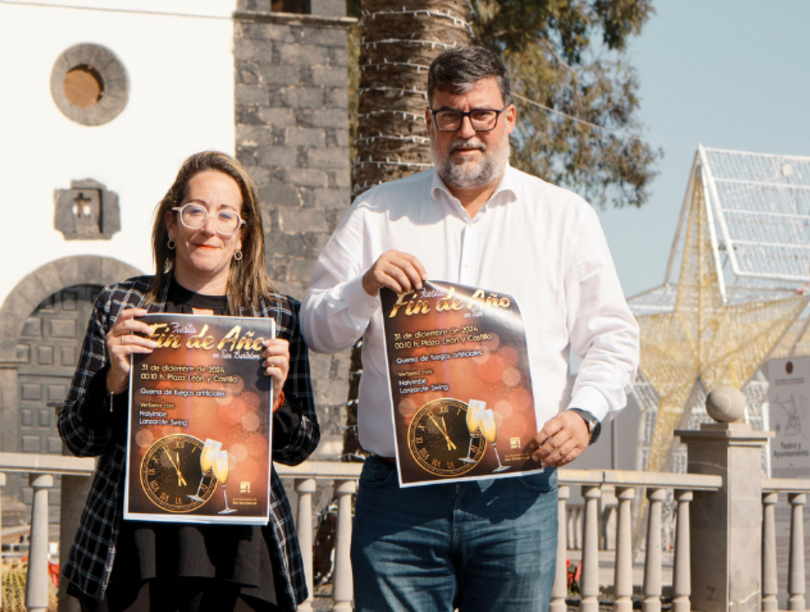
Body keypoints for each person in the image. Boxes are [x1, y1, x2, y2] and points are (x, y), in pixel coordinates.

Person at [300, 46, 639, 611]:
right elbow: (316, 327)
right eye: (448, 115)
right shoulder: (376, 214)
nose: (466, 131)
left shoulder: (564, 217)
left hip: (515, 496)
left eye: (481, 114)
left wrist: (585, 415)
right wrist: (362, 288)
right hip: (399, 500)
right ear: (429, 121)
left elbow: (613, 336)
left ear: (509, 117)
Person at [58, 151, 320, 612]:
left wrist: (274, 401)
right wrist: (113, 379)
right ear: (171, 225)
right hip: (135, 547)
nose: (209, 227)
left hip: (243, 547)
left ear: (242, 236)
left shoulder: (277, 315)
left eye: (226, 215)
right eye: (195, 211)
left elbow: (301, 446)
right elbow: (78, 436)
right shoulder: (123, 305)